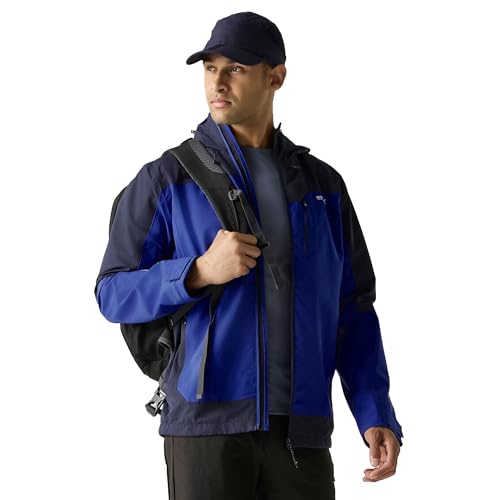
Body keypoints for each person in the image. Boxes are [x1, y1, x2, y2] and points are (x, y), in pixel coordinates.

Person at [95, 11, 403, 500]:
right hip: (206, 428)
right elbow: (112, 293)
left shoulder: (322, 187)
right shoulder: (167, 179)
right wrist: (196, 272)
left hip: (301, 432)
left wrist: (374, 412)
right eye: (210, 68)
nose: (217, 83)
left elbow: (353, 310)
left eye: (235, 68)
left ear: (275, 77)